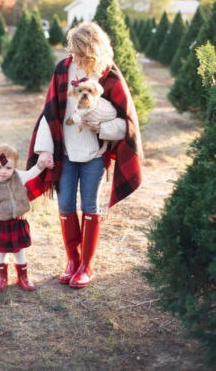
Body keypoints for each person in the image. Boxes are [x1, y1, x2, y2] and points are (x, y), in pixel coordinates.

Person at [26, 22, 143, 289]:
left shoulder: (109, 73)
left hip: (94, 156)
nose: (79, 59)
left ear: (95, 51)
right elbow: (50, 112)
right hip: (65, 154)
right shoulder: (63, 69)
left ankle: (86, 266)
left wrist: (101, 127)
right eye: (76, 53)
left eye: (84, 55)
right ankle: (72, 260)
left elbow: (127, 124)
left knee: (90, 205)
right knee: (65, 204)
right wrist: (45, 149)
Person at [0, 143, 53, 292]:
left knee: (19, 251)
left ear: (14, 167)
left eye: (8, 168)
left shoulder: (18, 177)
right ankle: (2, 278)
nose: (4, 171)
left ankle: (23, 277)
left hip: (16, 223)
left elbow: (33, 172)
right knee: (2, 252)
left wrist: (41, 164)